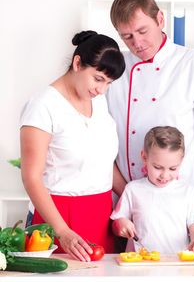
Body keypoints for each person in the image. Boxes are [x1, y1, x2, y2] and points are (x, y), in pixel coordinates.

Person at [106, 0, 194, 237]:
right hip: (127, 212)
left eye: (143, 31)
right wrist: (131, 197)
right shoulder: (115, 70)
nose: (137, 43)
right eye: (127, 37)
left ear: (160, 19)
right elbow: (103, 144)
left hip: (184, 213)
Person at [20, 30, 126, 262]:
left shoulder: (98, 102)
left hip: (101, 213)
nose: (102, 89)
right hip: (59, 216)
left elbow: (103, 162)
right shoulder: (42, 106)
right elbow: (32, 178)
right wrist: (62, 231)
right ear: (77, 63)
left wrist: (133, 196)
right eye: (98, 78)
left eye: (108, 83)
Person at [111, 126, 194, 254]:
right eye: (158, 167)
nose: (165, 175)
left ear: (181, 161)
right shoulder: (133, 190)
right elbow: (116, 223)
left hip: (176, 264)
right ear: (144, 158)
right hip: (140, 263)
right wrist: (121, 225)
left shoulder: (189, 193)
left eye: (172, 168)